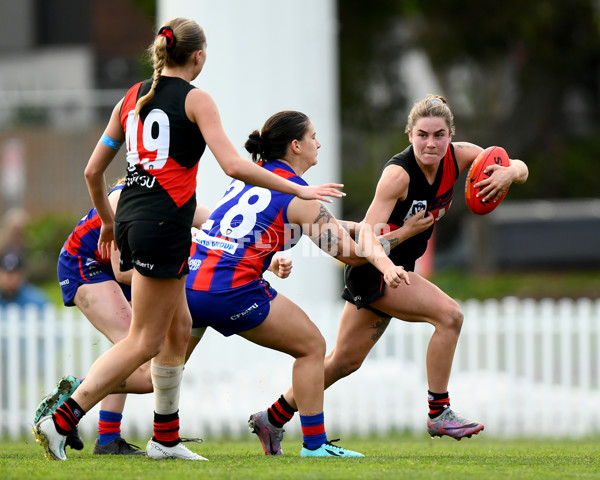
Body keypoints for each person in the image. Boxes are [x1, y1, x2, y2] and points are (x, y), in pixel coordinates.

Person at [32, 17, 345, 462]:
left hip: (137, 220)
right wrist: (298, 187)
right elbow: (234, 166)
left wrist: (106, 221)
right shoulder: (198, 100)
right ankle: (62, 420)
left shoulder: (131, 97)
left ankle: (165, 439)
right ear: (198, 56)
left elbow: (91, 171)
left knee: (178, 330)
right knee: (144, 342)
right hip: (165, 226)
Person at [249, 94, 530, 454]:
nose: (431, 143)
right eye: (423, 135)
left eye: (439, 135)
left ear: (451, 135)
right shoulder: (397, 175)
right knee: (450, 316)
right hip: (376, 270)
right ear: (409, 134)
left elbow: (514, 164)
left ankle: (271, 418)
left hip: (396, 269)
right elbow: (366, 234)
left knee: (342, 361)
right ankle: (439, 411)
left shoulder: (460, 157)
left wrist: (510, 171)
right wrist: (391, 257)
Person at [183, 110, 412, 457]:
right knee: (312, 347)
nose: (318, 143)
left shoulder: (251, 176)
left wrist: (359, 227)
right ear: (296, 146)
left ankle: (77, 404)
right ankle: (315, 445)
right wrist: (404, 233)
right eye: (313, 137)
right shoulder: (302, 197)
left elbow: (299, 224)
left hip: (192, 282)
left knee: (154, 369)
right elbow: (349, 255)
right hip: (229, 290)